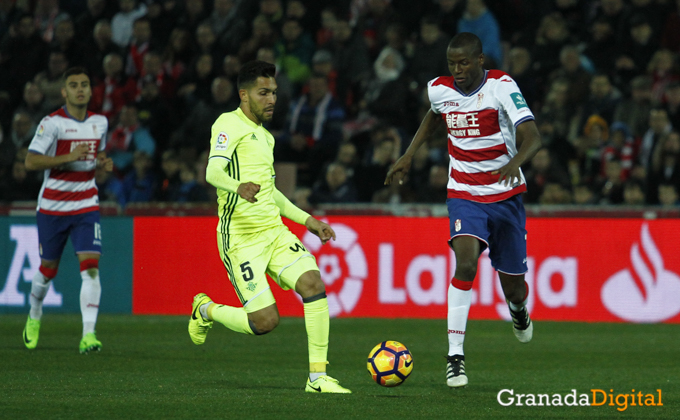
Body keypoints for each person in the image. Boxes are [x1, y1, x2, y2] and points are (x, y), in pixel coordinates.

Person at [385, 33, 541, 388]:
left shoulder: (502, 86)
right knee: (465, 263)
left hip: (505, 195)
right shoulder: (439, 89)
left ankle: (518, 311)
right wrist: (409, 154)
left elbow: (534, 136)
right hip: (464, 193)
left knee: (515, 289)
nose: (457, 70)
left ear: (480, 60)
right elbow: (434, 114)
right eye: (452, 64)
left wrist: (515, 162)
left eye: (464, 63)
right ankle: (455, 356)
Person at [188, 60, 351, 394]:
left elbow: (272, 192)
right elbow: (212, 173)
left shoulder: (266, 137)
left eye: (274, 93)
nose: (272, 99)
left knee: (312, 282)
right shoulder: (227, 124)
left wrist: (308, 221)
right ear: (244, 95)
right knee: (265, 322)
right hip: (240, 239)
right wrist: (237, 186)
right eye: (263, 93)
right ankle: (205, 309)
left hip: (273, 232)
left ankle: (317, 378)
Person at [22, 66, 113, 354]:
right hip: (52, 207)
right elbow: (31, 161)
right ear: (64, 91)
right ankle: (35, 313)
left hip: (86, 204)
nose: (80, 89)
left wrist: (101, 162)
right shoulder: (52, 124)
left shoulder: (100, 122)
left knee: (91, 268)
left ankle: (89, 335)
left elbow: (95, 155)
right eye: (73, 85)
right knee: (48, 270)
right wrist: (67, 157)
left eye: (84, 84)